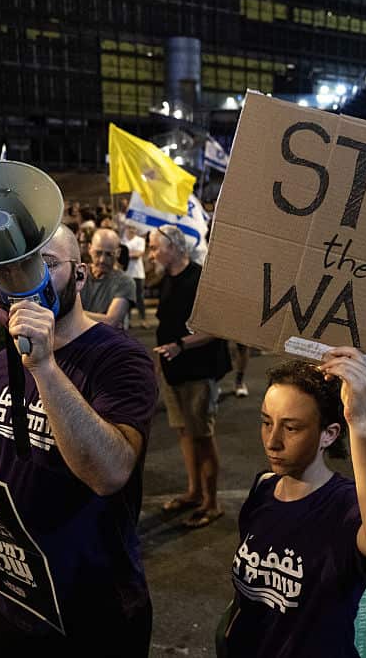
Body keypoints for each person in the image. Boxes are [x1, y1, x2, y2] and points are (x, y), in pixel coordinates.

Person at [0, 225, 158, 656]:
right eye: (14, 266)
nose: (27, 277)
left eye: (46, 263)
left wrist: (46, 367)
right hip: (9, 598)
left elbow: (110, 474)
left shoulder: (120, 358)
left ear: (82, 275)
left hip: (93, 608)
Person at [222, 353, 366, 658]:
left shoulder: (346, 506)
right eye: (267, 422)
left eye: (291, 428)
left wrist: (358, 419)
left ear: (328, 434)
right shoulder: (263, 488)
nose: (272, 441)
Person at [150, 225, 231, 528]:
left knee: (203, 437)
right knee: (185, 433)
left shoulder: (198, 279)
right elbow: (167, 324)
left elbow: (215, 328)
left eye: (155, 247)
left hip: (200, 371)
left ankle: (212, 503)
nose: (151, 253)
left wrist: (180, 345)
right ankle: (194, 492)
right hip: (174, 371)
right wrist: (163, 359)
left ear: (175, 248)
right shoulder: (166, 279)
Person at [81, 228, 136, 329]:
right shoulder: (78, 274)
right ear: (90, 249)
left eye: (109, 254)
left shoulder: (125, 282)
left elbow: (111, 321)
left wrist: (74, 314)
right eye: (98, 253)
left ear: (118, 253)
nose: (102, 260)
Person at [123, 225, 148, 327]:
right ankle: (128, 321)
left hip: (138, 273)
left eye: (133, 227)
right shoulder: (122, 240)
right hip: (126, 274)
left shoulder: (140, 240)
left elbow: (139, 254)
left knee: (140, 298)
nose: (132, 229)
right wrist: (131, 254)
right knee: (127, 298)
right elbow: (120, 256)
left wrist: (126, 254)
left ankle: (143, 320)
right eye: (130, 227)